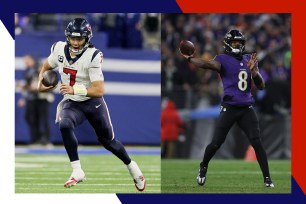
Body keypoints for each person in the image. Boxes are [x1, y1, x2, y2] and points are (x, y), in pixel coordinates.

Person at [37, 18, 145, 191]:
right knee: (65, 124)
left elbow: (99, 90)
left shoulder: (93, 55)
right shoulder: (58, 49)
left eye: (79, 39)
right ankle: (77, 170)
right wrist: (40, 83)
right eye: (73, 38)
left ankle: (132, 166)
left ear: (87, 38)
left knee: (108, 142)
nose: (76, 42)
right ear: (67, 37)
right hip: (73, 103)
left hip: (92, 103)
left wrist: (74, 89)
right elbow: (46, 66)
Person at [180, 29, 274, 188]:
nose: (237, 45)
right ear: (228, 44)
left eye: (239, 42)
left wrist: (254, 72)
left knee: (257, 142)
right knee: (216, 143)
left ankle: (267, 178)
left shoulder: (249, 59)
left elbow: (261, 86)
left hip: (246, 108)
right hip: (229, 107)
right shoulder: (222, 59)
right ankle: (203, 166)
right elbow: (207, 64)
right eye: (234, 42)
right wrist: (191, 60)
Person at [18, 54, 53, 145]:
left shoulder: (39, 66)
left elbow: (48, 81)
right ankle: (36, 138)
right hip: (33, 98)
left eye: (27, 61)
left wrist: (38, 85)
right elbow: (28, 86)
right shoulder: (28, 71)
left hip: (44, 97)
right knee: (31, 117)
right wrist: (23, 97)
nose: (25, 63)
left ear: (31, 59)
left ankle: (46, 139)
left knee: (44, 118)